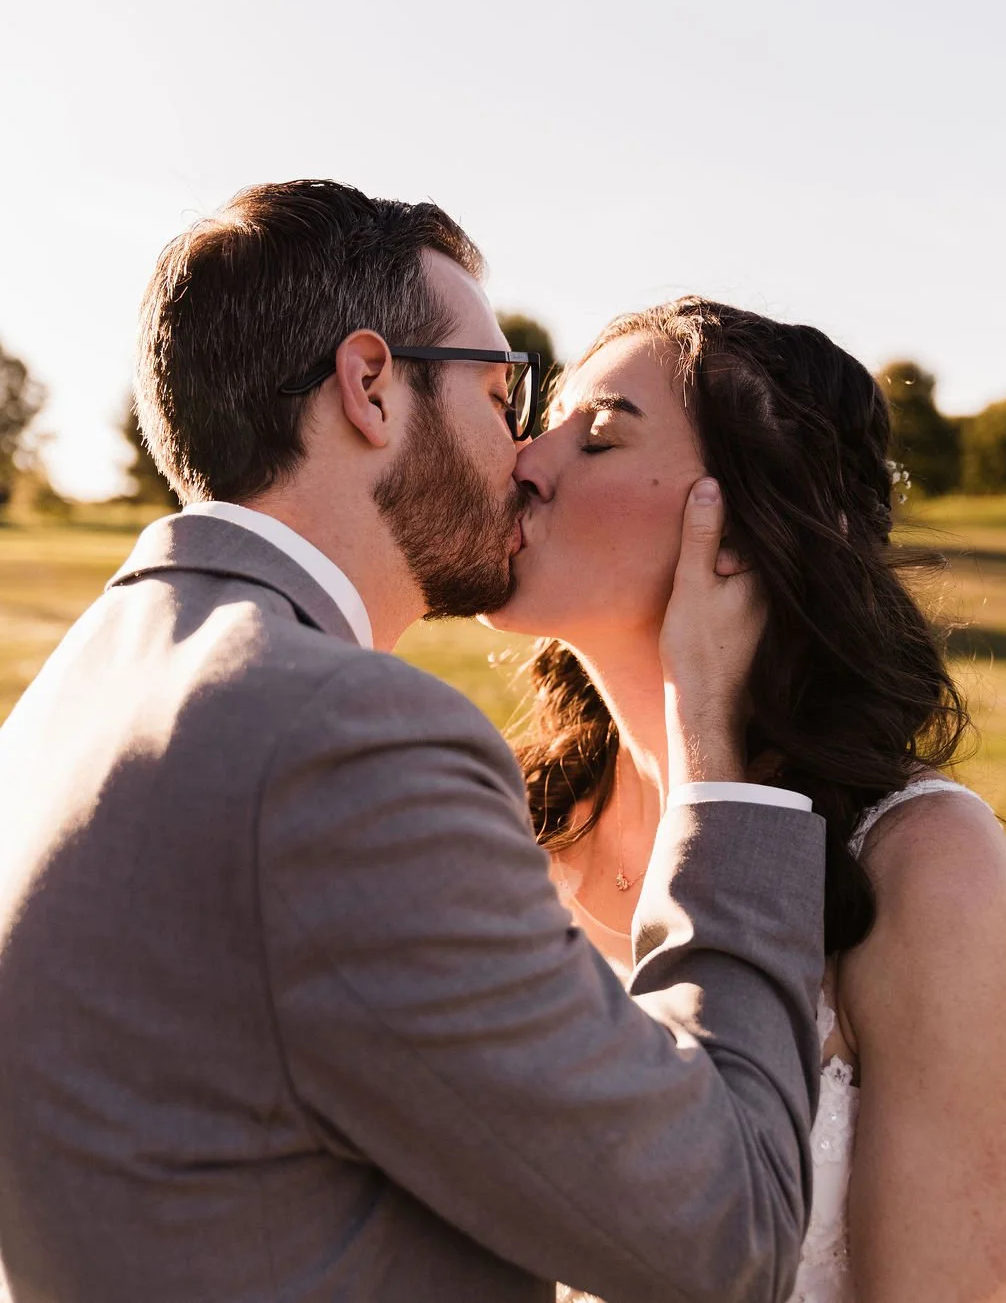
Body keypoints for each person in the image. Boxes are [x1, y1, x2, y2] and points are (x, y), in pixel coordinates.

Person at [0, 183, 825, 1303]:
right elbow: (722, 1229)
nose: (523, 450)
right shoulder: (338, 741)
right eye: (500, 391)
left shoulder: (61, 703)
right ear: (372, 387)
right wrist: (720, 774)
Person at [489, 298, 1006, 1303]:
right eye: (543, 419)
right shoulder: (498, 834)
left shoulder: (921, 867)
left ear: (738, 524)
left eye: (597, 435)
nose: (522, 457)